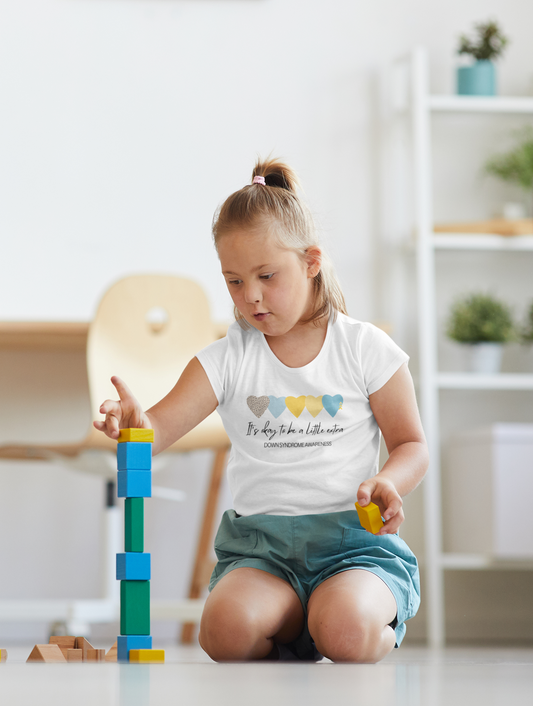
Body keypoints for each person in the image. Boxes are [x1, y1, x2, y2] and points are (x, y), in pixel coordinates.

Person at [94, 158, 428, 663]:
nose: (250, 296)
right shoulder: (229, 357)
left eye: (267, 276)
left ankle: (340, 621)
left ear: (311, 261)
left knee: (347, 632)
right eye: (233, 281)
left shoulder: (365, 347)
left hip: (353, 549)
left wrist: (390, 482)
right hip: (262, 553)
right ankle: (298, 624)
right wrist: (135, 423)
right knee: (225, 633)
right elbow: (158, 429)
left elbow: (411, 445)